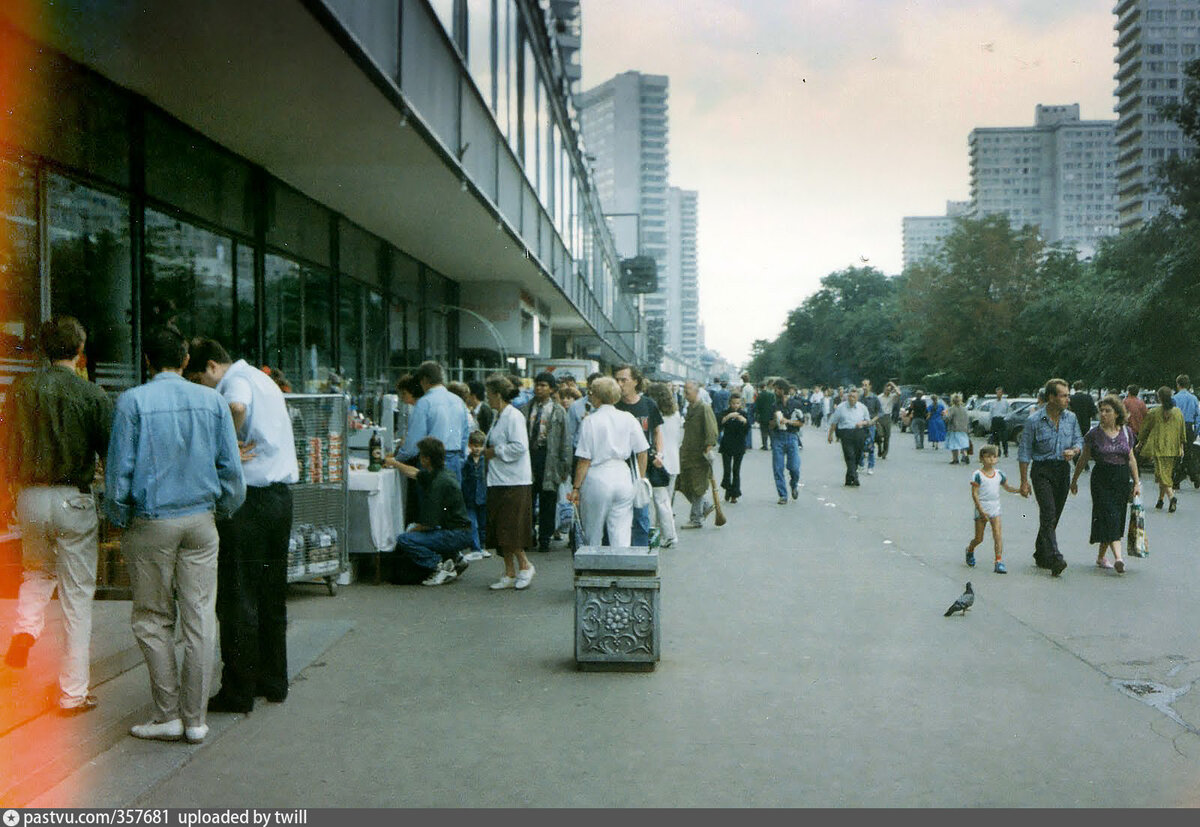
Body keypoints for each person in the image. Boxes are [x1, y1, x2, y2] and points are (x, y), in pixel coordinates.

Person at [105, 327, 245, 743]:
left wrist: (119, 516)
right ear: (185, 361)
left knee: (153, 618)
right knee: (201, 617)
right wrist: (222, 509)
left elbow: (119, 472)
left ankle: (167, 713)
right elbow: (231, 469)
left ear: (146, 360)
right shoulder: (212, 401)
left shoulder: (132, 401)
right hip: (201, 519)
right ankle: (196, 718)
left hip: (151, 520)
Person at [1, 317, 112, 714]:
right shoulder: (92, 394)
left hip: (29, 497)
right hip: (73, 500)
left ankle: (24, 632)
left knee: (37, 571)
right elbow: (110, 454)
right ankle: (72, 693)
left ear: (42, 351)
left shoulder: (19, 390)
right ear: (79, 351)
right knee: (77, 598)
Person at [185, 338, 299, 715]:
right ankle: (274, 679)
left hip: (248, 501)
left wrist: (226, 443)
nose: (206, 389)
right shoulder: (264, 378)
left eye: (202, 381)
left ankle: (238, 688)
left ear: (213, 367)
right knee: (271, 594)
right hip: (280, 498)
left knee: (238, 596)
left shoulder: (235, 379)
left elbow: (235, 404)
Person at [568, 377, 649, 548]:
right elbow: (642, 451)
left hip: (597, 477)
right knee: (621, 531)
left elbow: (584, 460)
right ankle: (620, 567)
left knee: (593, 531)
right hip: (622, 476)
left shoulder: (590, 421)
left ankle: (593, 567)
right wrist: (640, 478)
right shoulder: (628, 418)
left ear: (597, 396)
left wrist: (576, 487)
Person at [388, 437, 475, 586]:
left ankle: (439, 566)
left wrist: (411, 531)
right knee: (420, 532)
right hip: (462, 531)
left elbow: (428, 524)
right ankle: (456, 557)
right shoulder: (443, 474)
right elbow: (414, 473)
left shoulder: (437, 484)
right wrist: (394, 463)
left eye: (421, 455)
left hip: (455, 534)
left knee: (405, 539)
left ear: (426, 459)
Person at [1018, 378, 1082, 577]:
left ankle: (1040, 552)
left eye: (1068, 395)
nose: (1067, 399)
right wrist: (1023, 482)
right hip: (1042, 470)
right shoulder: (1034, 421)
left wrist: (1074, 450)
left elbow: (1079, 439)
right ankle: (1055, 557)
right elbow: (1024, 452)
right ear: (1051, 397)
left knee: (1054, 516)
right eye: (1063, 396)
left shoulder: (1070, 418)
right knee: (1048, 511)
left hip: (1062, 469)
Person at [1071, 396, 1140, 573]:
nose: (1103, 414)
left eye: (1107, 410)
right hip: (1102, 477)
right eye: (1101, 410)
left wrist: (1137, 483)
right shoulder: (1094, 434)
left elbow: (1131, 459)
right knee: (1109, 515)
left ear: (1117, 413)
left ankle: (1101, 556)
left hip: (1121, 478)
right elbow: (1084, 458)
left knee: (1115, 515)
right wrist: (1075, 479)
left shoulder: (1126, 432)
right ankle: (1118, 558)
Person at [482, 375, 535, 590]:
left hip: (514, 480)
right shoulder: (499, 415)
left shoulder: (513, 417)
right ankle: (509, 571)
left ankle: (525, 566)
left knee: (510, 528)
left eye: (489, 395)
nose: (487, 399)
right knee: (498, 528)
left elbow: (520, 446)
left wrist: (495, 451)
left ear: (497, 394)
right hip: (497, 479)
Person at [614, 364, 665, 546]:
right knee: (617, 514)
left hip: (642, 466)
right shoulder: (614, 406)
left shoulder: (648, 404)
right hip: (618, 465)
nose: (619, 384)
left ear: (635, 381)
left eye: (624, 380)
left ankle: (641, 552)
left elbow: (658, 431)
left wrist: (660, 454)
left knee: (641, 511)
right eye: (617, 380)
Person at [396, 361, 470, 483]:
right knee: (452, 500)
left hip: (431, 463)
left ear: (424, 380)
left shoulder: (424, 403)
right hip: (455, 461)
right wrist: (460, 460)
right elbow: (464, 436)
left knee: (431, 501)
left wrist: (398, 458)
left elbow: (414, 443)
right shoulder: (458, 401)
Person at [523, 372, 571, 553]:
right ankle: (528, 536)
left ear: (551, 389)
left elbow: (565, 440)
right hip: (530, 457)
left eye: (543, 385)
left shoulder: (558, 411)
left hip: (549, 459)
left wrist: (564, 466)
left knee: (548, 500)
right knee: (528, 498)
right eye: (537, 384)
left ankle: (545, 537)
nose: (539, 388)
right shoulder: (526, 408)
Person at [964, 445, 1021, 574]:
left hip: (995, 507)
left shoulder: (999, 474)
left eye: (994, 456)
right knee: (979, 538)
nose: (991, 459)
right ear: (981, 458)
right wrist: (981, 510)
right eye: (988, 456)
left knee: (997, 535)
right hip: (982, 507)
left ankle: (998, 561)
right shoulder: (977, 475)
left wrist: (1019, 490)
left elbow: (1007, 487)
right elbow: (974, 493)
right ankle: (970, 549)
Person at [1136, 386, 1187, 513]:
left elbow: (1145, 429)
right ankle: (1160, 500)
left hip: (1159, 447)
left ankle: (1172, 497)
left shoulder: (1154, 412)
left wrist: (1140, 442)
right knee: (1166, 474)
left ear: (1159, 397)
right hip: (1173, 447)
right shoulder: (1178, 412)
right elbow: (1182, 431)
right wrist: (1181, 447)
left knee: (1161, 474)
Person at [676, 381, 718, 528]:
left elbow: (711, 431)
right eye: (684, 392)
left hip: (699, 456)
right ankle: (705, 506)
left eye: (688, 392)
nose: (685, 395)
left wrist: (708, 450)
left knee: (698, 486)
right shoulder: (691, 408)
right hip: (687, 453)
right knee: (682, 484)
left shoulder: (704, 408)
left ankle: (696, 519)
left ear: (696, 392)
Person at [644, 382, 681, 549]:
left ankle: (670, 536)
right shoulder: (676, 415)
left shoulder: (655, 416)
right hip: (674, 461)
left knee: (660, 502)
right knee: (666, 502)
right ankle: (661, 535)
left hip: (660, 461)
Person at [826, 387, 872, 486]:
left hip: (859, 433)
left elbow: (868, 421)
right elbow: (834, 422)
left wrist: (862, 422)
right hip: (846, 433)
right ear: (847, 397)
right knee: (849, 455)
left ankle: (849, 477)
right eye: (850, 396)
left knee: (857, 456)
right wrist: (830, 435)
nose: (852, 399)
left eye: (854, 397)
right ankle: (855, 476)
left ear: (857, 398)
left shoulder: (862, 407)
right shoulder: (840, 407)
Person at [769, 380, 804, 504]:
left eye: (776, 389)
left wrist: (787, 421)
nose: (775, 392)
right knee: (778, 468)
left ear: (782, 390)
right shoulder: (774, 405)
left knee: (794, 467)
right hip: (778, 437)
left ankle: (793, 484)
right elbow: (770, 425)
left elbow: (801, 422)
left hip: (791, 436)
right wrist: (774, 420)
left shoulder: (796, 404)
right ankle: (783, 495)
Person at [460, 430, 490, 561]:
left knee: (483, 524)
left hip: (483, 496)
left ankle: (482, 547)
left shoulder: (486, 461)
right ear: (470, 445)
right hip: (470, 497)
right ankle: (476, 548)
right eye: (475, 446)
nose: (477, 449)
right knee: (473, 523)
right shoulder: (466, 462)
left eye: (479, 446)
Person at [719, 393, 750, 503]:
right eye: (733, 403)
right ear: (729, 403)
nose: (735, 406)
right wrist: (728, 417)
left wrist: (744, 421)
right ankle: (728, 488)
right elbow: (719, 424)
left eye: (737, 403)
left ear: (740, 404)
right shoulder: (725, 413)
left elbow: (747, 429)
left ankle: (734, 494)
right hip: (727, 445)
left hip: (739, 445)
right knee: (727, 471)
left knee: (736, 470)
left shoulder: (744, 414)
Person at [1171, 374, 1200, 489]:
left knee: (1177, 453)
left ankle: (1177, 477)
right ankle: (1194, 476)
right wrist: (1197, 430)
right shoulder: (1193, 399)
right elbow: (1198, 416)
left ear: (1178, 385)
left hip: (1177, 426)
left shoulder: (1174, 399)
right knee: (1188, 453)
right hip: (1189, 426)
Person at [859, 380, 881, 475]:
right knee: (860, 444)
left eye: (866, 385)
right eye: (863, 385)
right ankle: (861, 464)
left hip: (871, 424)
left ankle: (870, 466)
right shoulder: (860, 398)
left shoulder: (874, 398)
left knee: (870, 444)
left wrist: (873, 421)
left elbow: (880, 412)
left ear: (870, 386)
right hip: (861, 424)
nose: (864, 387)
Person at [945, 393, 971, 464]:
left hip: (954, 429)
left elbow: (948, 418)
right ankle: (965, 454)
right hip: (964, 429)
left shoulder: (952, 409)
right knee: (963, 444)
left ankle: (955, 459)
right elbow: (967, 419)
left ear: (952, 401)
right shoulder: (964, 409)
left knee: (954, 445)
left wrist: (944, 416)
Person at [876, 381, 899, 460]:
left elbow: (899, 393)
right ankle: (879, 447)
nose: (888, 391)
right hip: (880, 417)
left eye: (889, 390)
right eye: (887, 390)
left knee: (887, 436)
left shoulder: (892, 397)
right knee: (879, 435)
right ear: (884, 389)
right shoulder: (879, 397)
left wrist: (892, 384)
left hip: (888, 417)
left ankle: (884, 453)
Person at [989, 387, 1012, 458]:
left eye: (1000, 392)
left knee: (1004, 437)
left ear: (1002, 393)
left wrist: (1005, 418)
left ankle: (1006, 452)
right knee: (995, 437)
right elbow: (991, 412)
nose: (999, 394)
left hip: (1002, 420)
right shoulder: (993, 403)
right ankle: (998, 451)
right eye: (997, 392)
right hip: (995, 420)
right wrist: (991, 421)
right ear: (996, 393)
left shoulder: (1005, 402)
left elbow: (1009, 412)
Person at [756, 383, 777, 450]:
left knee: (763, 431)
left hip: (762, 416)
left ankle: (765, 445)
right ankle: (773, 444)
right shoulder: (771, 395)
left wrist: (757, 415)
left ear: (760, 388)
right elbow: (775, 405)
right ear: (765, 387)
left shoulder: (759, 396)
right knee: (771, 431)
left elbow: (757, 407)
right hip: (771, 415)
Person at [740, 373, 757, 450]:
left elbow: (743, 399)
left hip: (746, 406)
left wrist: (742, 408)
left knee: (745, 425)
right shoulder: (752, 387)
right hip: (752, 405)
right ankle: (749, 443)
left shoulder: (744, 388)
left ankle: (746, 443)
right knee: (749, 425)